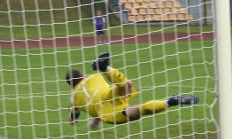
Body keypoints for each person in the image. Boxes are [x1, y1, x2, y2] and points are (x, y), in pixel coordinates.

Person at [65, 52, 200, 130]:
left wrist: (76, 120)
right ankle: (106, 69)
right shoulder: (94, 77)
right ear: (83, 75)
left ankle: (169, 102)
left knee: (136, 111)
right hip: (108, 94)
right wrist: (95, 121)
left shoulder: (73, 98)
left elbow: (75, 115)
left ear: (71, 85)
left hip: (104, 110)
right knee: (126, 85)